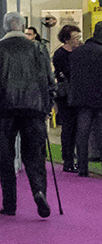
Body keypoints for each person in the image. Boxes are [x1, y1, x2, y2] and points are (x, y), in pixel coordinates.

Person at [0, 12, 55, 218]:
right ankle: (39, 191)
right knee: (34, 155)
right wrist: (47, 106)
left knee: (6, 156)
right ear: (22, 27)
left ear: (5, 27)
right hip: (34, 109)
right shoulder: (39, 49)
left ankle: (10, 203)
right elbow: (50, 81)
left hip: (5, 109)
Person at [68, 21, 102, 178]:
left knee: (82, 134)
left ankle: (82, 167)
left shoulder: (77, 53)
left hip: (82, 99)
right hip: (99, 98)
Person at [51, 25, 81, 173]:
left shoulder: (79, 52)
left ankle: (72, 156)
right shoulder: (59, 54)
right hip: (65, 96)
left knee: (75, 128)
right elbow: (64, 74)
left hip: (77, 94)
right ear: (67, 39)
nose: (78, 41)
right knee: (68, 127)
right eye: (75, 38)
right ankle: (67, 159)